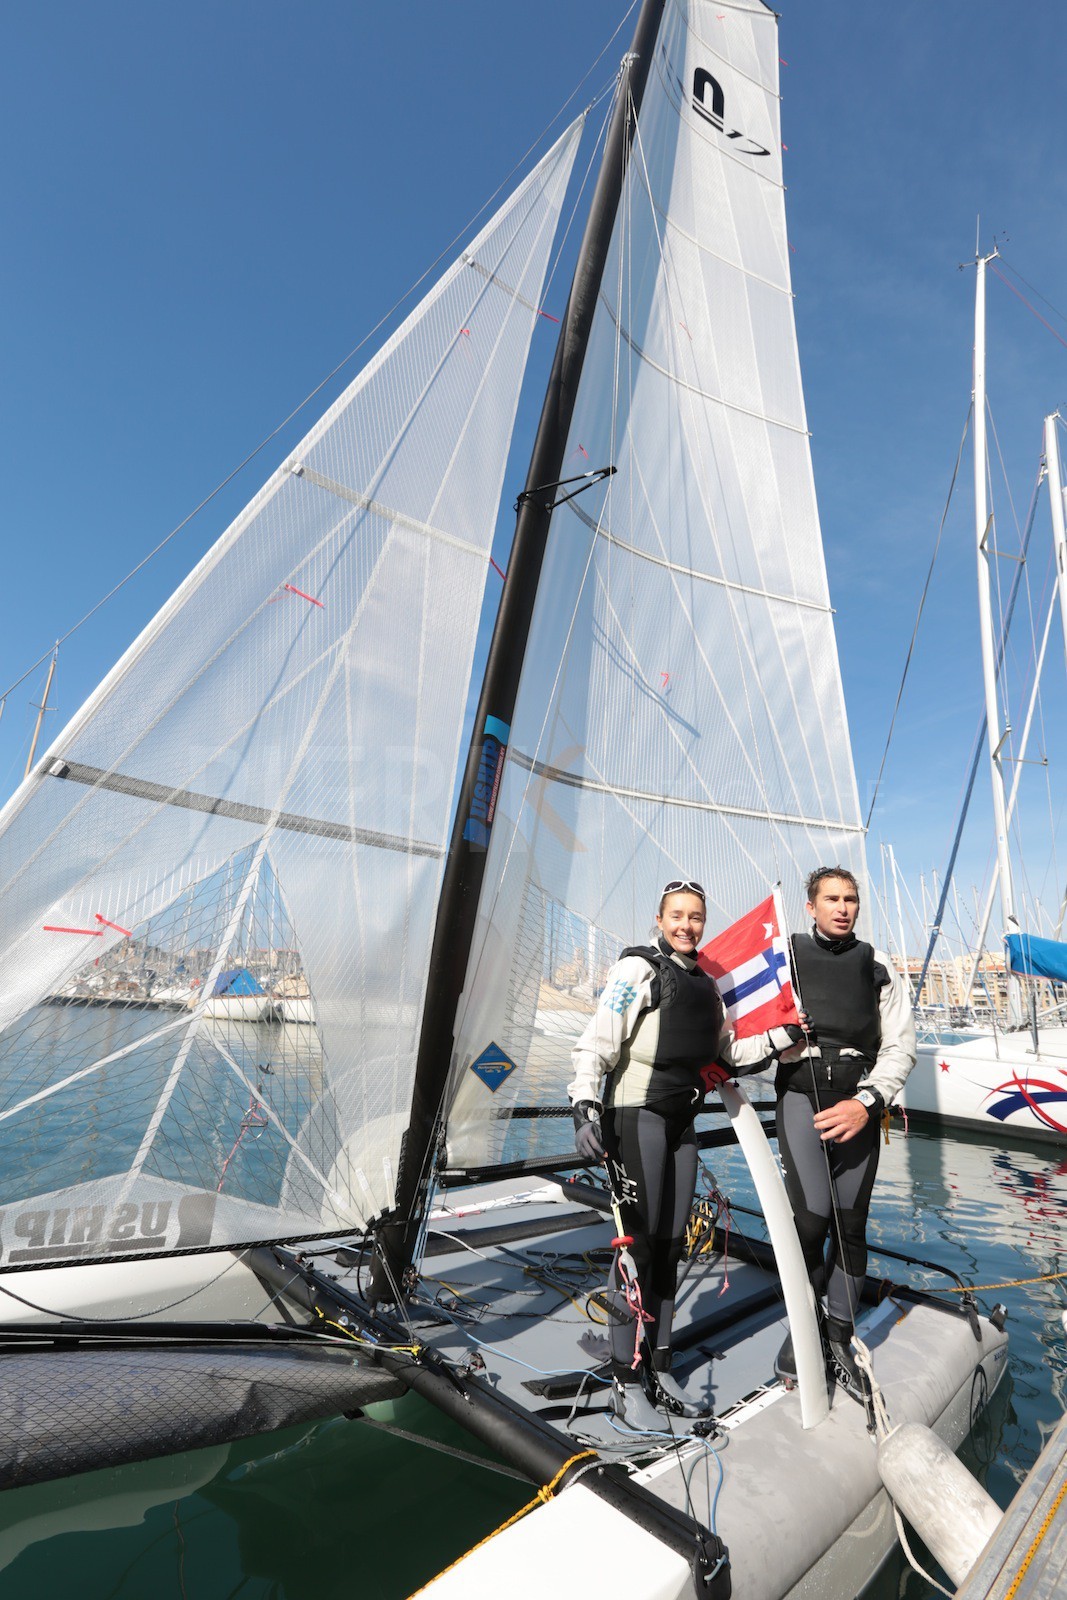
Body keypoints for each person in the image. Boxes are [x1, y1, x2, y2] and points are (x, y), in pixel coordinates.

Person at [568, 879, 796, 1431]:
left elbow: (727, 1052)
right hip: (634, 1119)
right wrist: (583, 1106)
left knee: (672, 1249)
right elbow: (596, 1041)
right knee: (638, 1251)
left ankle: (660, 1366)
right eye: (677, 915)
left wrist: (781, 1036)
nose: (687, 925)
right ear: (659, 917)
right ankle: (625, 1378)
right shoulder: (638, 972)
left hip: (681, 1125)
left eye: (696, 917)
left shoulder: (709, 985)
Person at [774, 865, 916, 1398]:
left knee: (850, 1224)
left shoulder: (876, 964)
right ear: (810, 907)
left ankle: (839, 1335)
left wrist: (867, 1103)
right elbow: (736, 1024)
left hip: (859, 1103)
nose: (842, 907)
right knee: (811, 1221)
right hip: (800, 1098)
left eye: (850, 899)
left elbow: (902, 1047)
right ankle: (804, 1329)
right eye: (831, 899)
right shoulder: (782, 957)